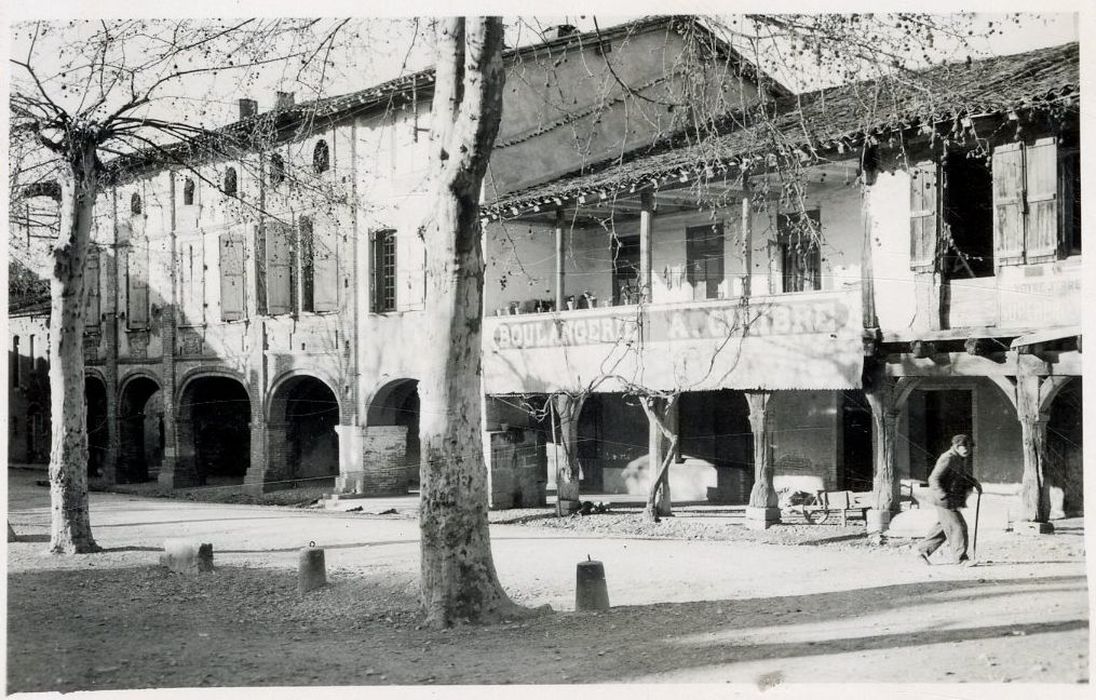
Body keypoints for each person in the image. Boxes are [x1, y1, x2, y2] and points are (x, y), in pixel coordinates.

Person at [917, 434, 983, 565]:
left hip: (950, 498)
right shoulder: (947, 458)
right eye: (963, 446)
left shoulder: (959, 457)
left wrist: (975, 482)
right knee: (958, 526)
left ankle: (921, 552)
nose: (966, 449)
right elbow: (933, 478)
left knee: (944, 527)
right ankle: (961, 559)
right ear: (955, 446)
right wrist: (943, 495)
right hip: (943, 499)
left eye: (969, 446)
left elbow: (962, 474)